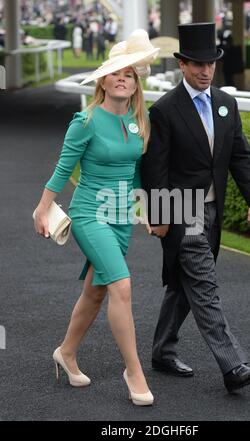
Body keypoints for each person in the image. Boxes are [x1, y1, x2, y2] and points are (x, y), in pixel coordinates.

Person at [33, 29, 159, 406]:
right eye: (116, 73)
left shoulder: (140, 121)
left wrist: (148, 209)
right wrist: (42, 208)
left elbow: (135, 172)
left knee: (97, 290)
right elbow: (63, 168)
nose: (122, 79)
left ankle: (67, 352)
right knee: (121, 286)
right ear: (103, 80)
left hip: (122, 219)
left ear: (136, 84)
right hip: (90, 214)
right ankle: (133, 371)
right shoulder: (85, 120)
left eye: (129, 74)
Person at [141, 23, 250, 393]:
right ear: (181, 64)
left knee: (184, 284)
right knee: (205, 286)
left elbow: (241, 157)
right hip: (182, 211)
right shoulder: (164, 110)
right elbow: (154, 170)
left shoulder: (227, 103)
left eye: (210, 63)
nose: (205, 70)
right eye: (196, 63)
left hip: (213, 212)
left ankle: (162, 351)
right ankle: (233, 366)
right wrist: (160, 216)